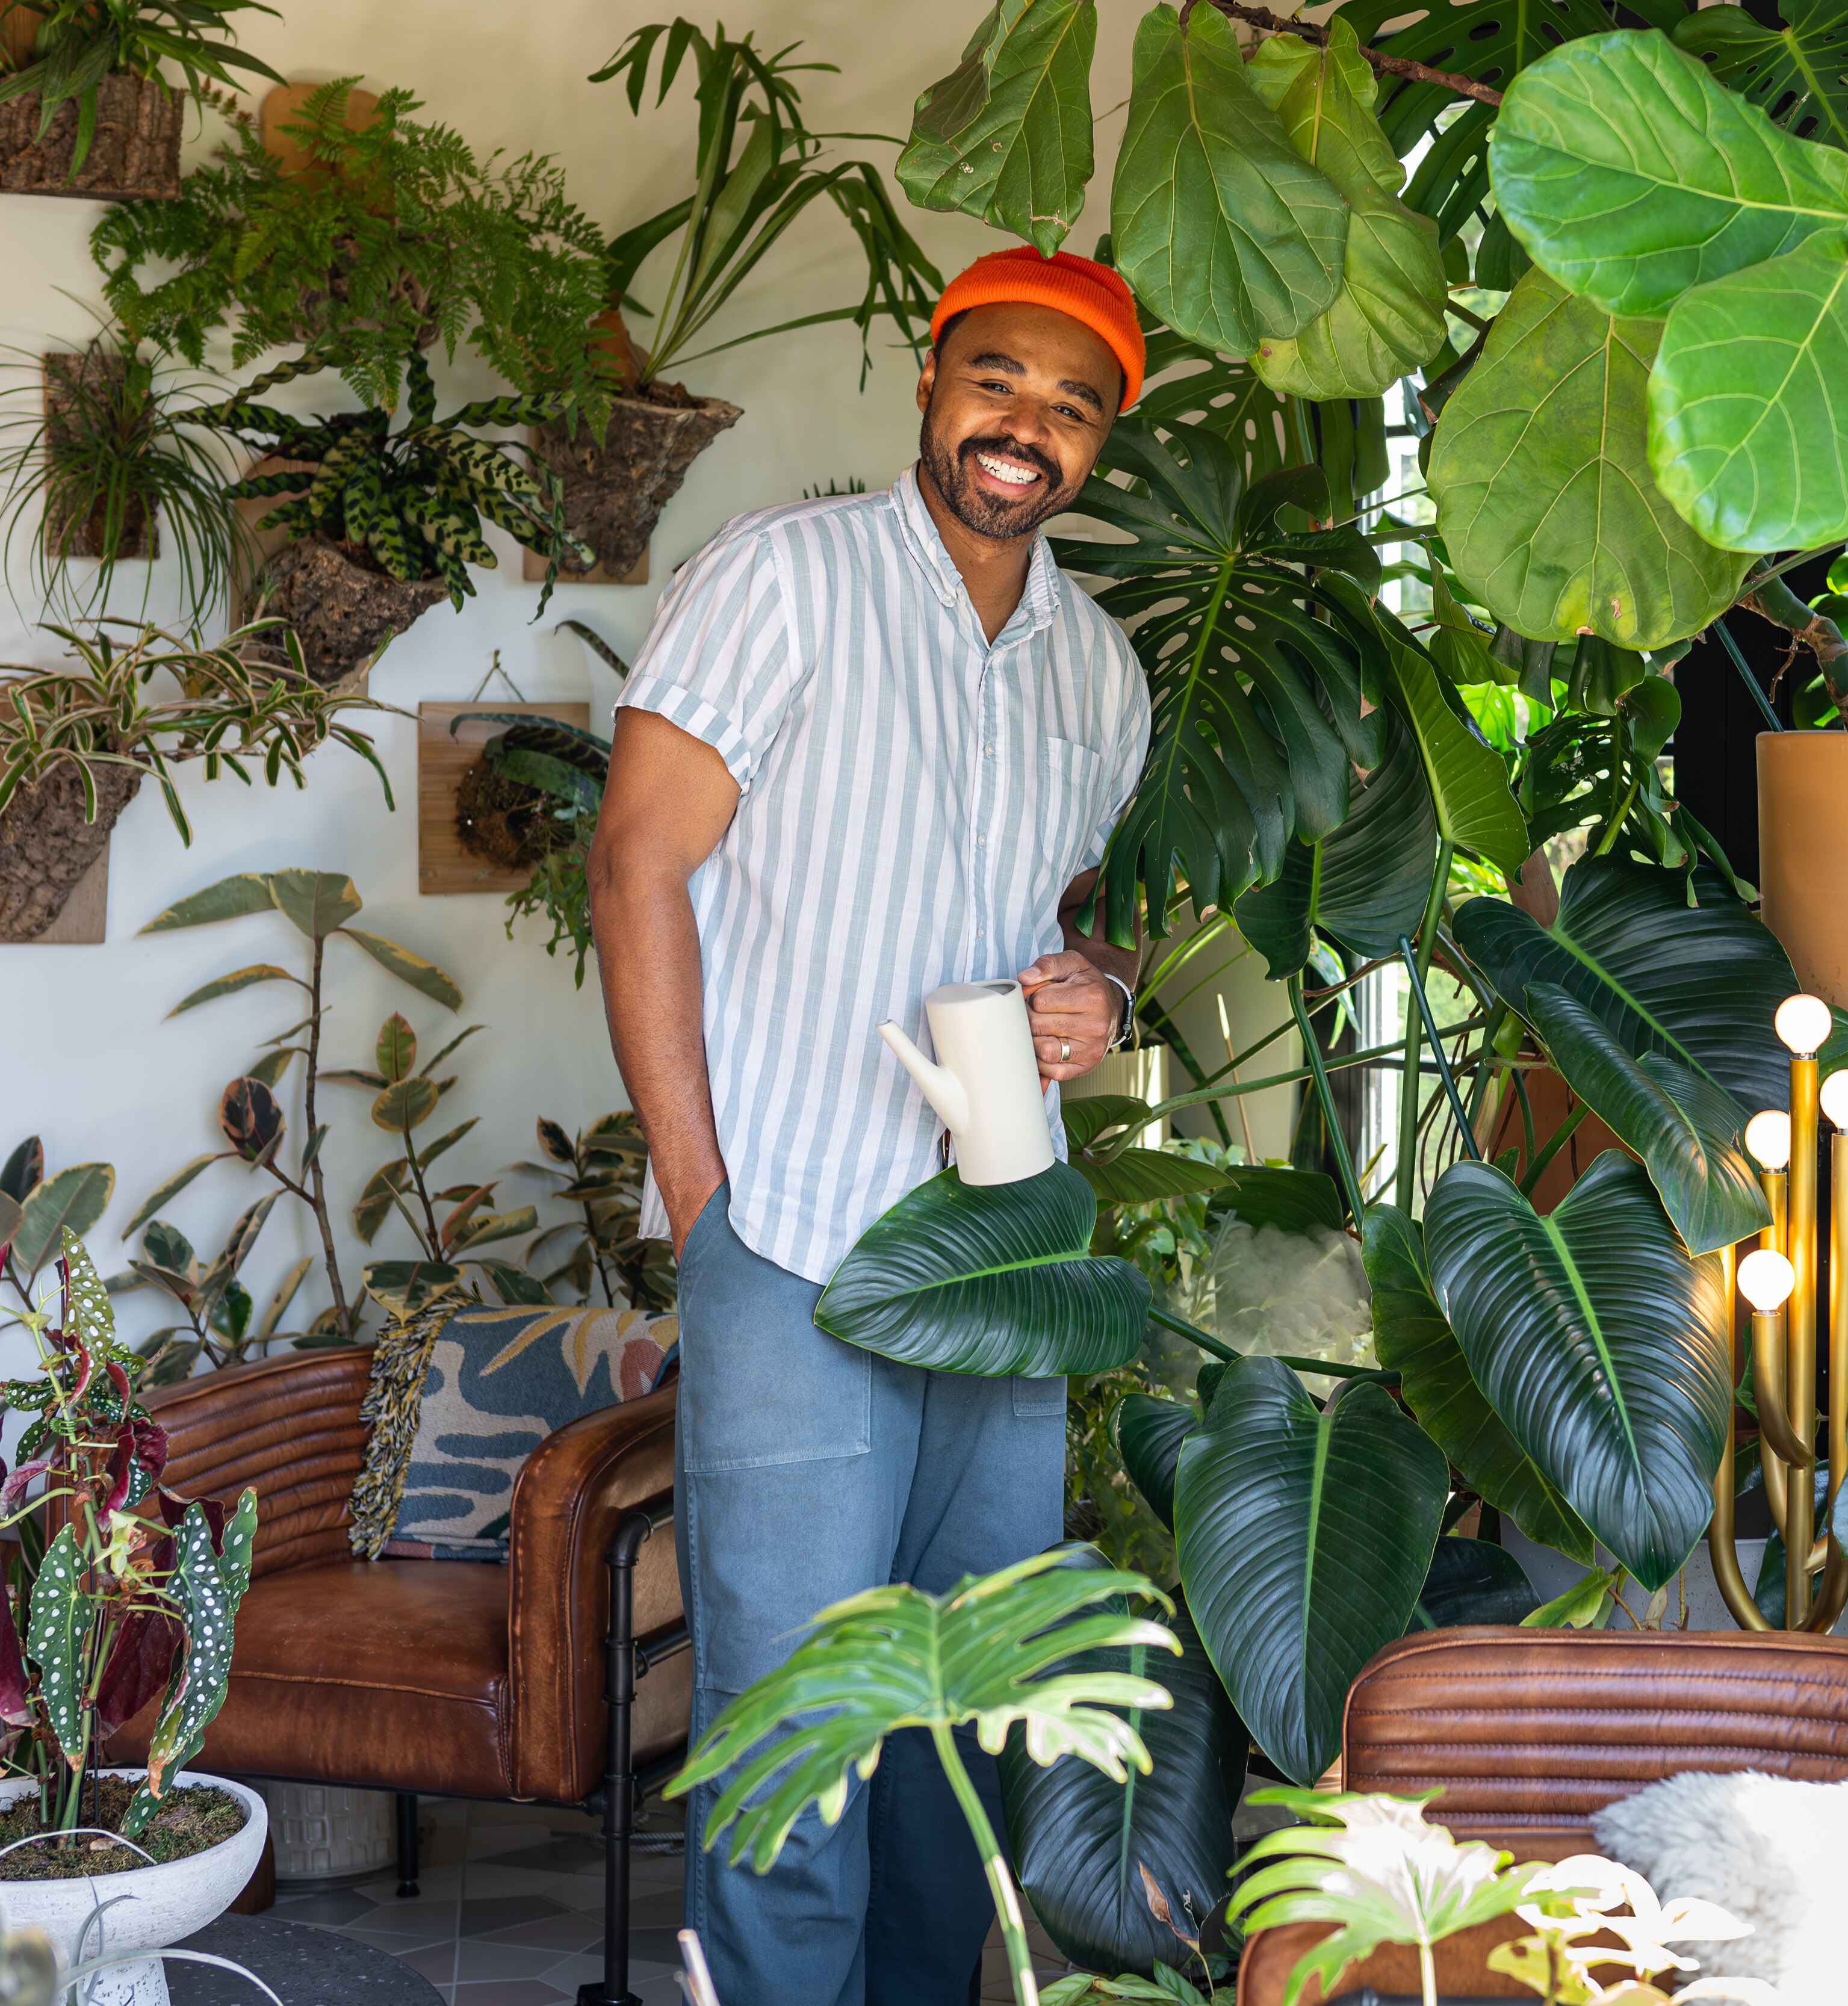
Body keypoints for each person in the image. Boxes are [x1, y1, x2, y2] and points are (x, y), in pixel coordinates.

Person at [587, 246, 1151, 2006]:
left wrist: (1098, 995)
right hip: (798, 1232)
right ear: (933, 381)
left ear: (1100, 441)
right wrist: (704, 1204)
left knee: (962, 1711)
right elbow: (637, 865)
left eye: (1072, 404)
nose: (1026, 426)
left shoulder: (1103, 671)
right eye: (1001, 379)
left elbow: (1060, 919)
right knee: (799, 1719)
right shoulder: (785, 581)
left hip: (1006, 1248)